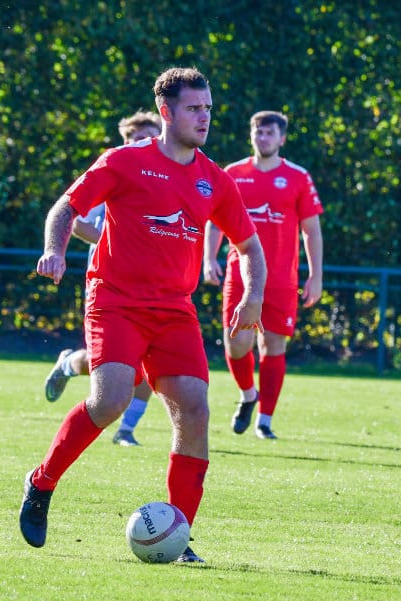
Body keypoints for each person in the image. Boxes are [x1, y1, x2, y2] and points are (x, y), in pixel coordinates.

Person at [22, 67, 267, 564]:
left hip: (174, 310)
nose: (204, 117)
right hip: (115, 300)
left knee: (195, 410)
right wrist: (54, 250)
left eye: (208, 108)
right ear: (166, 112)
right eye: (194, 108)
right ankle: (41, 482)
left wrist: (254, 296)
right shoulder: (125, 161)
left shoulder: (214, 180)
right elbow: (65, 209)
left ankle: (178, 535)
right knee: (111, 400)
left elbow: (249, 248)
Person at [44, 111, 163, 447]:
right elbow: (76, 219)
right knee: (113, 367)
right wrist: (115, 241)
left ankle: (127, 430)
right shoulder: (115, 172)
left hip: (156, 288)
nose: (144, 143)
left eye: (150, 137)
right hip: (110, 286)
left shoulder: (169, 176)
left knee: (150, 362)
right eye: (136, 138)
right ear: (125, 142)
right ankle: (69, 363)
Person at [203, 110, 324, 440]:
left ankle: (265, 421)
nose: (263, 137)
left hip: (282, 279)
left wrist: (316, 276)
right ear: (251, 135)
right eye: (258, 131)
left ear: (282, 138)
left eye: (270, 132)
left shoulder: (298, 177)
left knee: (273, 346)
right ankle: (248, 395)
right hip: (240, 275)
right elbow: (214, 219)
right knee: (236, 344)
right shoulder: (233, 173)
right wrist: (209, 258)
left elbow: (311, 230)